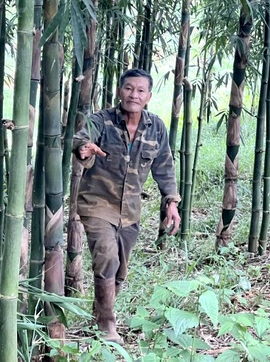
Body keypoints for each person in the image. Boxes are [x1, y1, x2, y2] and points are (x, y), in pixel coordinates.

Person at [72, 68, 181, 344]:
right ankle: (107, 326)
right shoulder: (101, 120)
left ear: (149, 96)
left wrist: (171, 202)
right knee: (107, 256)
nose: (134, 94)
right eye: (129, 88)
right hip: (96, 203)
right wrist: (85, 149)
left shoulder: (156, 126)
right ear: (120, 91)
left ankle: (100, 314)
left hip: (129, 210)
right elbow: (80, 139)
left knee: (119, 269)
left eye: (140, 90)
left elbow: (164, 166)